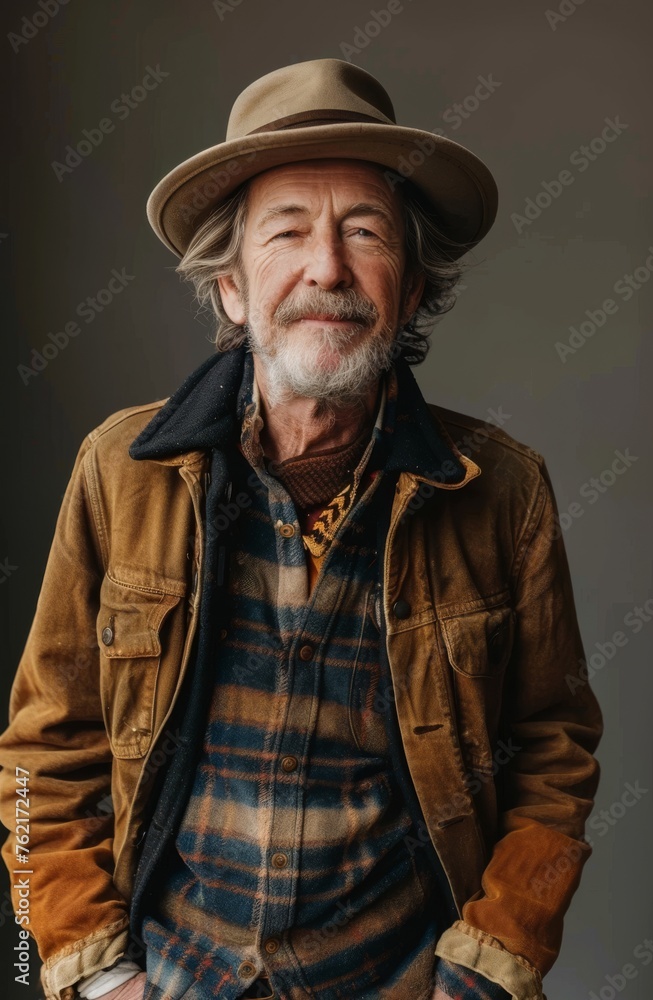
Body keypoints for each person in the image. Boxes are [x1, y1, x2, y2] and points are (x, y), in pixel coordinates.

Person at [0, 59, 603, 1000]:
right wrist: (85, 968)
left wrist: (487, 972)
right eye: (288, 232)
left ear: (407, 291)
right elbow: (41, 760)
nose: (328, 266)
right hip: (165, 980)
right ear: (232, 289)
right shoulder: (121, 471)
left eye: (364, 232)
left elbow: (554, 757)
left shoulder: (504, 490)